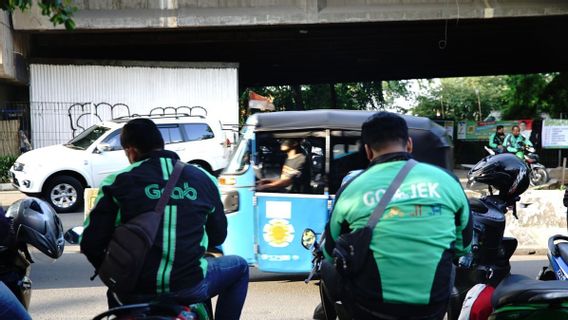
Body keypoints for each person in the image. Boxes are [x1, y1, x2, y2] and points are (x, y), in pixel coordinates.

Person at [80, 118, 248, 320]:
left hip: (132, 291)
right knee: (239, 267)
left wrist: (118, 274)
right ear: (161, 144)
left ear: (131, 151)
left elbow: (91, 243)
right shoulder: (204, 178)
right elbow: (218, 236)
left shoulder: (116, 181)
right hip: (189, 286)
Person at [321, 112, 472, 319]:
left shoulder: (351, 188)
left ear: (367, 151)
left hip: (370, 309)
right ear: (409, 144)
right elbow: (463, 245)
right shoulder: (448, 181)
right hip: (432, 307)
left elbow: (330, 251)